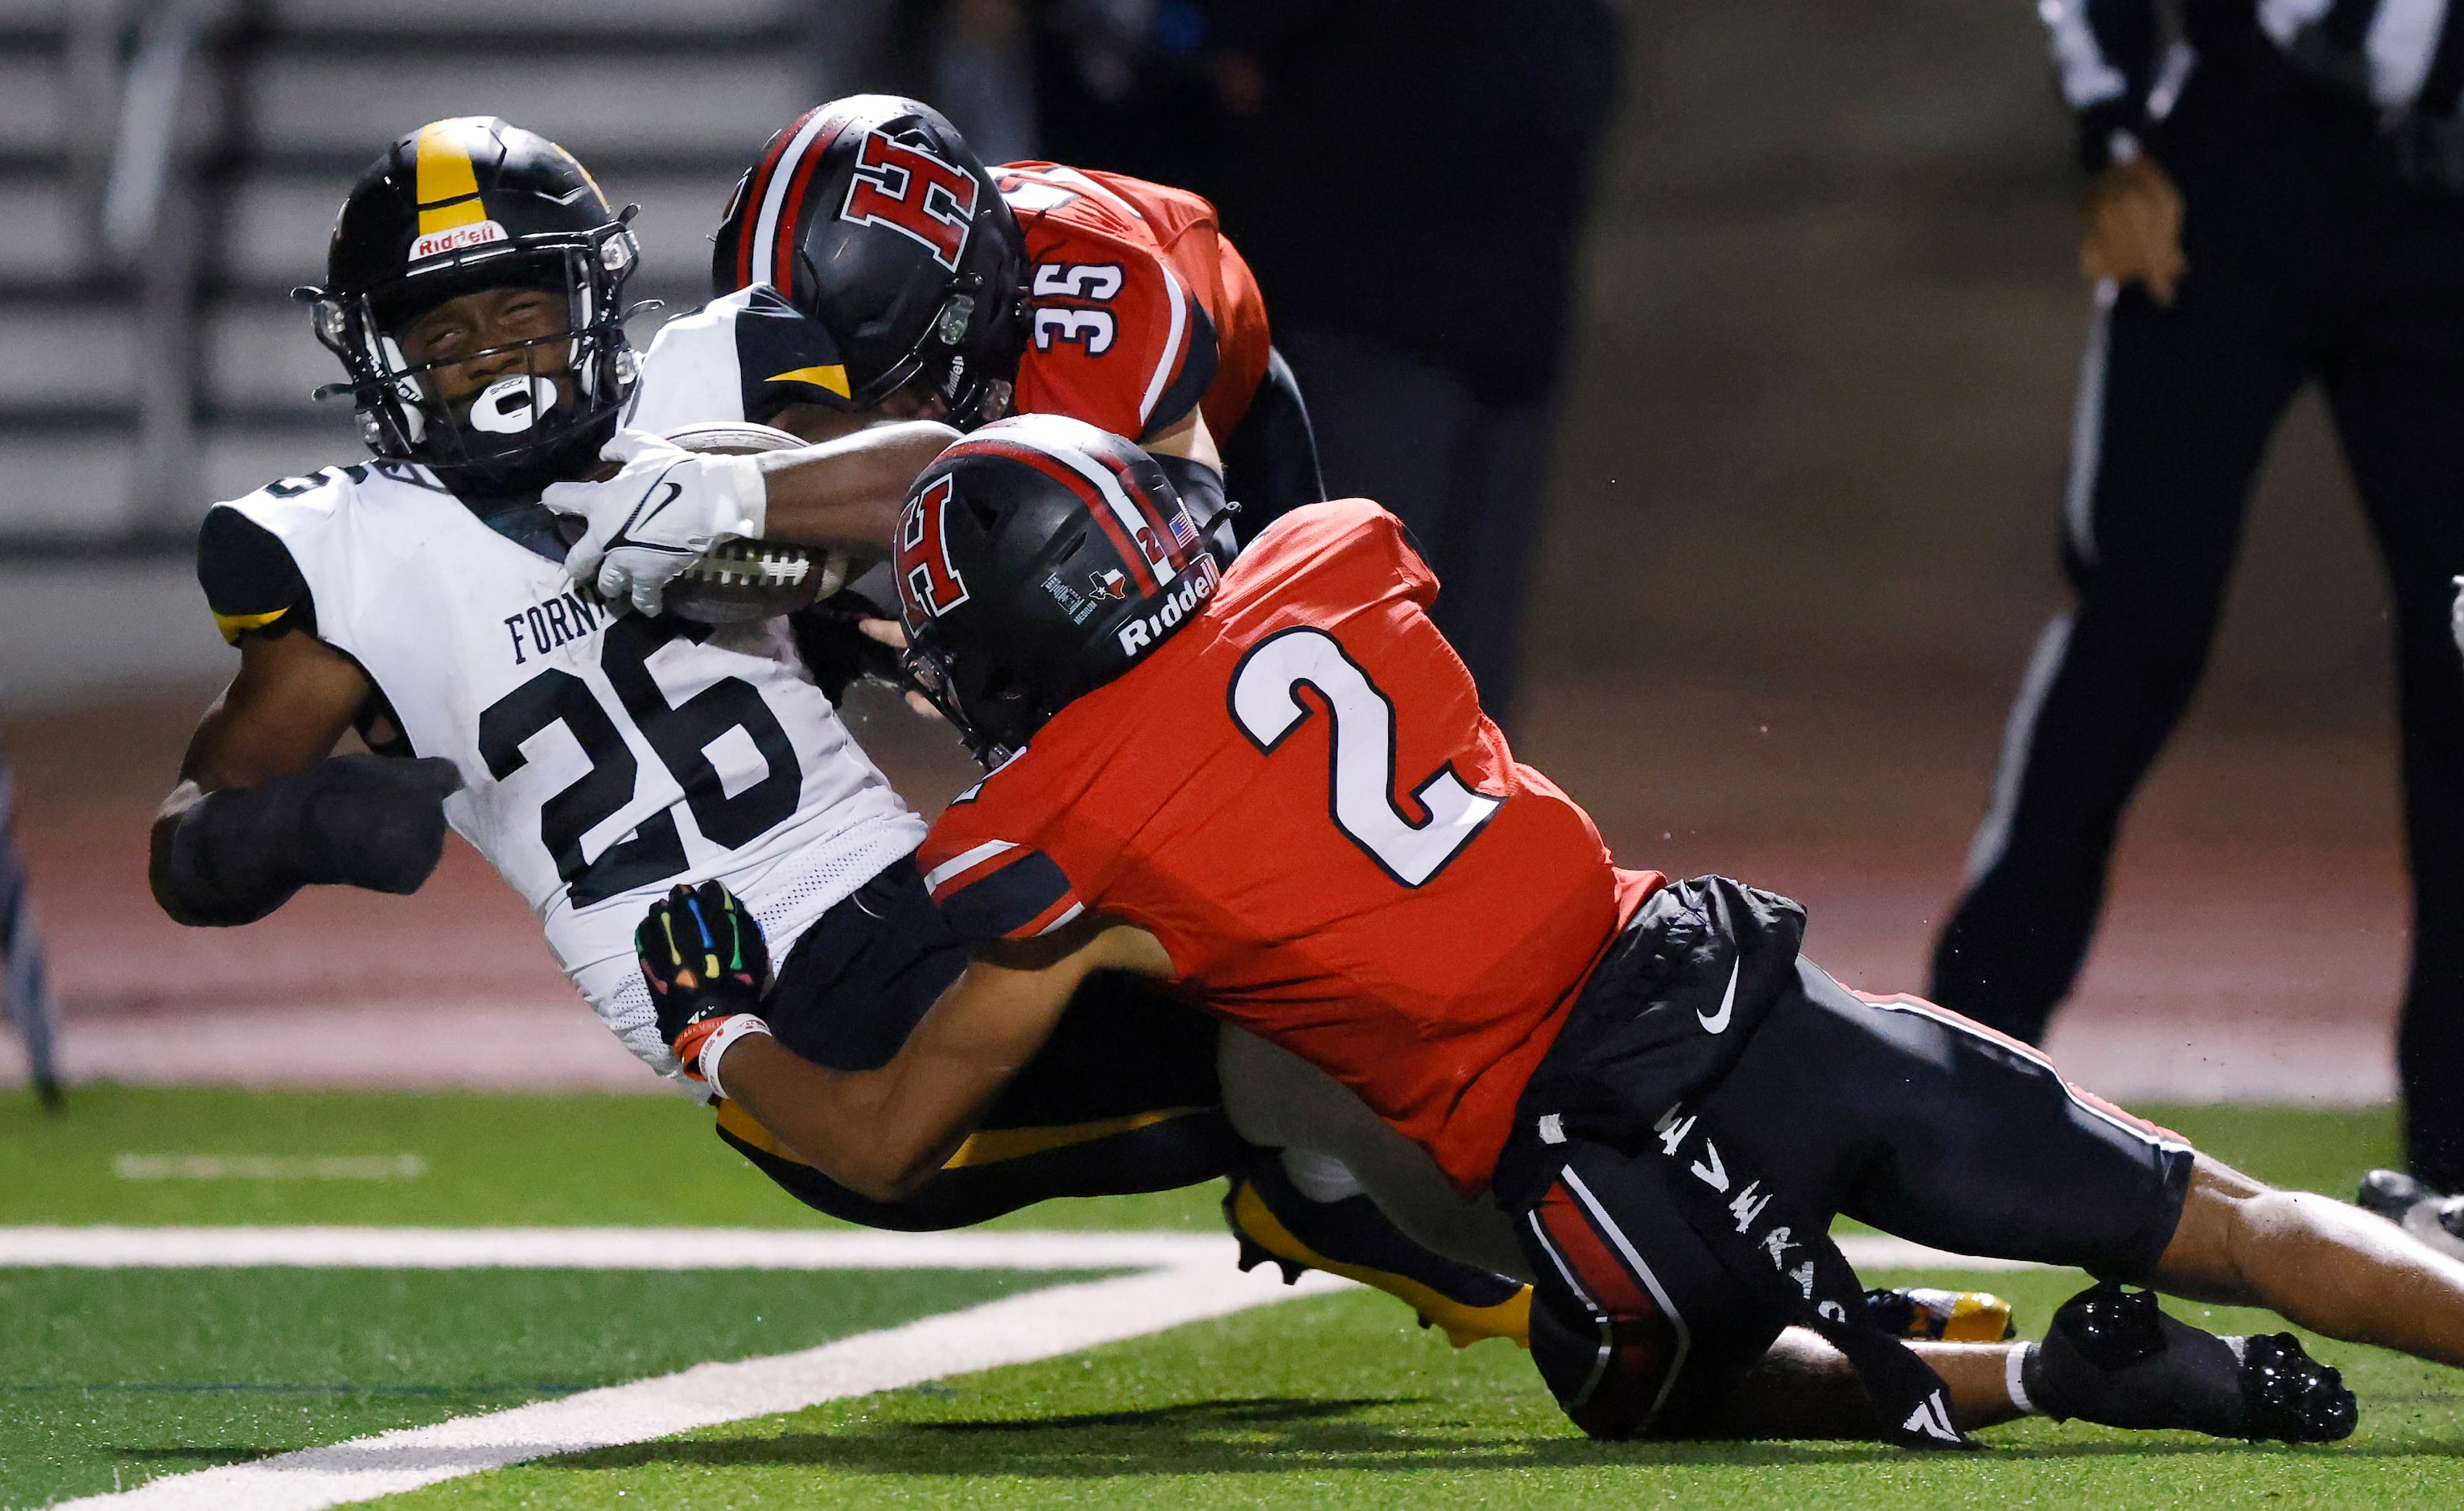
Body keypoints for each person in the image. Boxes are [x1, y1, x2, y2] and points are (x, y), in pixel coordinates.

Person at [633, 414, 2464, 1446]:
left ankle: (2040, 1373)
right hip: (1738, 989)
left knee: (1631, 1376)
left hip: (1597, 1164)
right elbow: (1210, 499)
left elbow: (882, 1136)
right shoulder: (1332, 559)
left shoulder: (1060, 839)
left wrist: (722, 1032)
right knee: (2218, 1208)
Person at [146, 113, 1534, 1345]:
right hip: (791, 1026)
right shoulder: (339, 557)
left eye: (516, 310)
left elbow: (953, 477)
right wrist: (297, 826)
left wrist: (738, 501)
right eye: (443, 334)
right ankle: (1549, 1260)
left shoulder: (710, 383)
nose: (488, 357)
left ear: (589, 295)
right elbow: (192, 835)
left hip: (924, 910)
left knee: (1291, 941)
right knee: (1307, 1017)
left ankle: (1424, 1185)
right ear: (379, 356)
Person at [1931, 2, 2464, 1258]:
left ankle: (2455, 1156)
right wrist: (2114, 131)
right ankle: (1958, 1062)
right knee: (2142, 615)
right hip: (2230, 153)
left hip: (2446, 181)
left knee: (2462, 647)